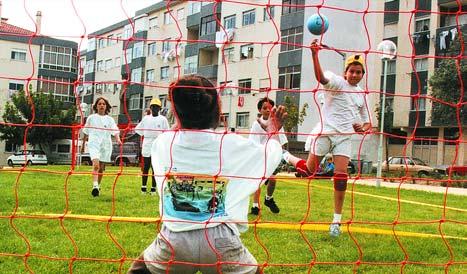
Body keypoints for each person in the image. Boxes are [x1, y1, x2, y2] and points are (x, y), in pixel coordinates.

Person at [128, 75, 287, 274]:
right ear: (217, 111)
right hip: (221, 241)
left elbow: (182, 137)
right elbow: (269, 156)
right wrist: (273, 130)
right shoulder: (230, 143)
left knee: (137, 270)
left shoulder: (163, 143)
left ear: (176, 112)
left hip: (173, 241)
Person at [285, 39, 371, 237]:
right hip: (324, 132)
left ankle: (336, 222)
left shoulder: (362, 95)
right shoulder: (336, 82)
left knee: (341, 178)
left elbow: (368, 124)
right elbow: (321, 78)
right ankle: (287, 156)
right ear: (346, 72)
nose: (355, 74)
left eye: (359, 72)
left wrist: (362, 128)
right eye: (352, 71)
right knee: (308, 172)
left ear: (362, 75)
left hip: (343, 138)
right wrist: (314, 55)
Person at [249, 97, 288, 215]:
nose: (267, 110)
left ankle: (268, 199)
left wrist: (283, 152)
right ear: (259, 110)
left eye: (269, 108)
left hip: (272, 155)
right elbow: (253, 142)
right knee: (258, 180)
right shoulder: (256, 124)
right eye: (264, 108)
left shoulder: (275, 121)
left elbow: (282, 139)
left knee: (273, 180)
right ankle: (255, 206)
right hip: (260, 155)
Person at [81, 97, 121, 197]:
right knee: (96, 165)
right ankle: (94, 186)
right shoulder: (91, 118)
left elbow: (115, 130)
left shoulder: (110, 119)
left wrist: (118, 139)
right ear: (96, 106)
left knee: (101, 168)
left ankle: (98, 186)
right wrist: (82, 146)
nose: (101, 105)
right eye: (99, 104)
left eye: (103, 104)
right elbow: (86, 132)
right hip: (94, 144)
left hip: (105, 145)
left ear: (106, 106)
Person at [135, 98, 170, 195]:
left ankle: (154, 189)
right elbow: (138, 131)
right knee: (146, 166)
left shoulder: (163, 120)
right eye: (153, 106)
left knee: (155, 167)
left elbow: (167, 134)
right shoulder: (146, 118)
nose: (154, 108)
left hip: (158, 144)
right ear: (150, 107)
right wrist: (125, 138)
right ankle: (143, 188)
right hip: (147, 144)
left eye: (156, 107)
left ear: (160, 108)